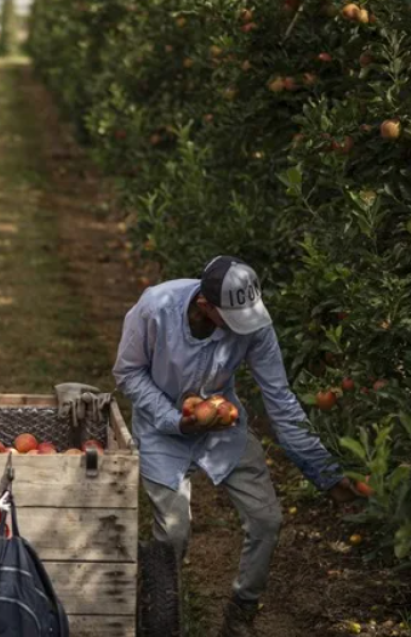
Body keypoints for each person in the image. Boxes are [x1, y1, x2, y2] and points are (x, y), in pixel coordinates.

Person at [112, 256, 362, 637]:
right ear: (204, 307)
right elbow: (128, 372)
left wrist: (325, 474)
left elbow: (280, 400)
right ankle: (161, 615)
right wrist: (172, 418)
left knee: (267, 520)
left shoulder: (255, 325)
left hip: (222, 427)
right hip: (163, 428)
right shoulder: (155, 308)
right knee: (174, 534)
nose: (242, 326)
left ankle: (241, 613)